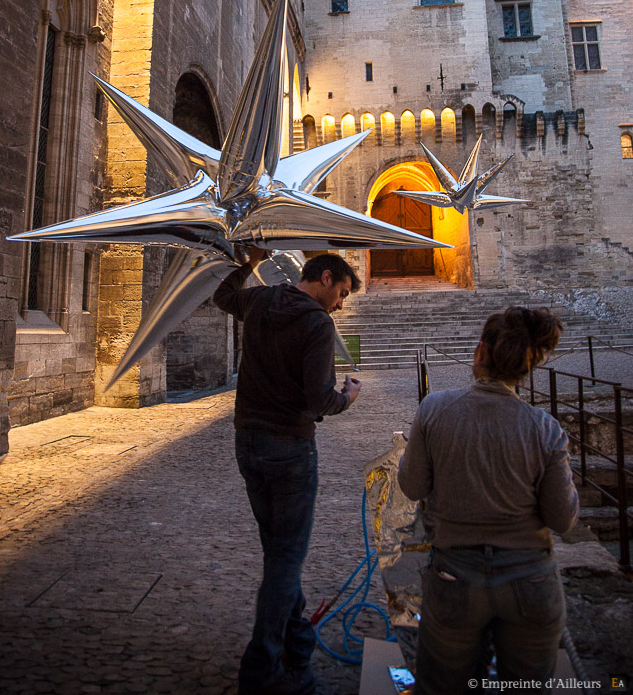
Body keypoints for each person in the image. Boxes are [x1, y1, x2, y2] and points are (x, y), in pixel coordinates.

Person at [398, 307, 579, 695]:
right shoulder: (544, 429)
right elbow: (563, 519)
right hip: (531, 579)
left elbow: (411, 486)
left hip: (454, 576)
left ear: (480, 351)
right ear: (527, 365)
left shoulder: (435, 410)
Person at [214, 251, 363, 695]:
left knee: (278, 551)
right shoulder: (318, 324)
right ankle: (262, 669)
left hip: (248, 443)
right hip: (290, 448)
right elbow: (319, 401)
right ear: (324, 277)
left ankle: (298, 645)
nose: (340, 304)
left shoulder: (259, 300)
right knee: (285, 557)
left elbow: (223, 294)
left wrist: (249, 262)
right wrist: (347, 397)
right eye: (341, 293)